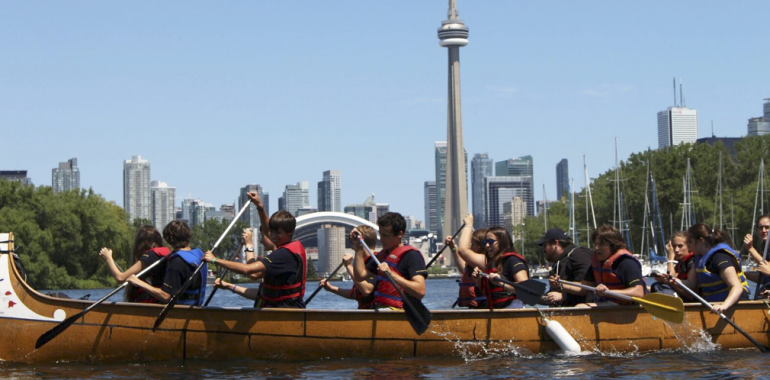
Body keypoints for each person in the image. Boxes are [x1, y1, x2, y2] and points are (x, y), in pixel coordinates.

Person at [203, 191, 307, 308]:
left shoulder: (283, 254)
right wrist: (259, 207)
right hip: (285, 308)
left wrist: (214, 259)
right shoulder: (287, 245)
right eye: (272, 232)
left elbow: (249, 270)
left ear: (290, 233)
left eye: (278, 233)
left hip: (284, 312)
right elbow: (268, 230)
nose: (272, 236)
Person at [659, 223, 750, 313]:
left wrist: (724, 305)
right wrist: (672, 280)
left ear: (701, 241)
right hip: (713, 304)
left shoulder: (720, 257)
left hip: (734, 305)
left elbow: (736, 287)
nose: (689, 246)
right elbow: (691, 284)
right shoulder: (698, 259)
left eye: (690, 242)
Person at [352, 212, 427, 310]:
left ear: (400, 234)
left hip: (400, 311)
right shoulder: (382, 255)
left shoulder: (412, 256)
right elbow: (359, 276)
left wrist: (391, 275)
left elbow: (420, 291)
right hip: (380, 308)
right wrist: (358, 247)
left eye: (386, 235)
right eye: (380, 234)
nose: (382, 239)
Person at [559, 225, 646, 306]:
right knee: (580, 306)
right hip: (609, 305)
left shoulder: (627, 263)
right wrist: (560, 284)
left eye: (601, 244)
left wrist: (609, 292)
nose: (596, 248)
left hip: (628, 308)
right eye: (595, 244)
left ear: (613, 245)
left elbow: (638, 293)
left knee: (580, 307)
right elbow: (582, 289)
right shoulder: (597, 262)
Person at [127, 220, 207, 305]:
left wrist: (139, 282)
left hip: (180, 313)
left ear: (169, 239)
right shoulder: (199, 254)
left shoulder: (177, 262)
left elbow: (166, 296)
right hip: (196, 308)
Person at [99, 225, 171, 303]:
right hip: (160, 303)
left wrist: (108, 258)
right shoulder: (163, 255)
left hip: (150, 305)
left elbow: (120, 278)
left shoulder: (150, 256)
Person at [465, 226, 529, 309]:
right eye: (485, 242)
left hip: (513, 308)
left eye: (491, 242)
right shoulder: (492, 264)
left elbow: (525, 288)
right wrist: (478, 280)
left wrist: (501, 283)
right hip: (496, 310)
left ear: (502, 242)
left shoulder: (513, 260)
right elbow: (489, 293)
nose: (487, 245)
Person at [319, 225, 379, 309]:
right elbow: (356, 294)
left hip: (373, 314)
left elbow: (366, 290)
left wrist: (348, 265)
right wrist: (331, 288)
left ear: (361, 241)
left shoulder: (376, 261)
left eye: (353, 242)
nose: (352, 247)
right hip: (364, 313)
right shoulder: (363, 263)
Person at [537, 228, 592, 307]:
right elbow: (553, 296)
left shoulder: (578, 254)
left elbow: (587, 287)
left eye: (545, 245)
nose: (543, 250)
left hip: (580, 315)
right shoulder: (557, 264)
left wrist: (564, 296)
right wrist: (526, 295)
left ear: (556, 243)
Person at [450, 214, 487, 308]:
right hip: (473, 308)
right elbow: (464, 269)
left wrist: (468, 225)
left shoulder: (485, 261)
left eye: (472, 244)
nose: (470, 247)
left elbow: (463, 251)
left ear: (480, 246)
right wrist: (453, 248)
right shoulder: (472, 264)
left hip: (484, 307)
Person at [650, 232, 694, 300]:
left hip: (691, 298)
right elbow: (672, 279)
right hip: (683, 295)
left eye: (680, 246)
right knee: (655, 286)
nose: (676, 250)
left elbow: (672, 277)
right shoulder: (680, 263)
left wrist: (670, 258)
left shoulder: (693, 261)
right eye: (674, 246)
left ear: (689, 246)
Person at [742, 215, 770, 297]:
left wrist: (750, 249)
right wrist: (743, 274)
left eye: (767, 227)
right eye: (760, 228)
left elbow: (767, 267)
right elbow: (763, 277)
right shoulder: (765, 247)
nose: (764, 230)